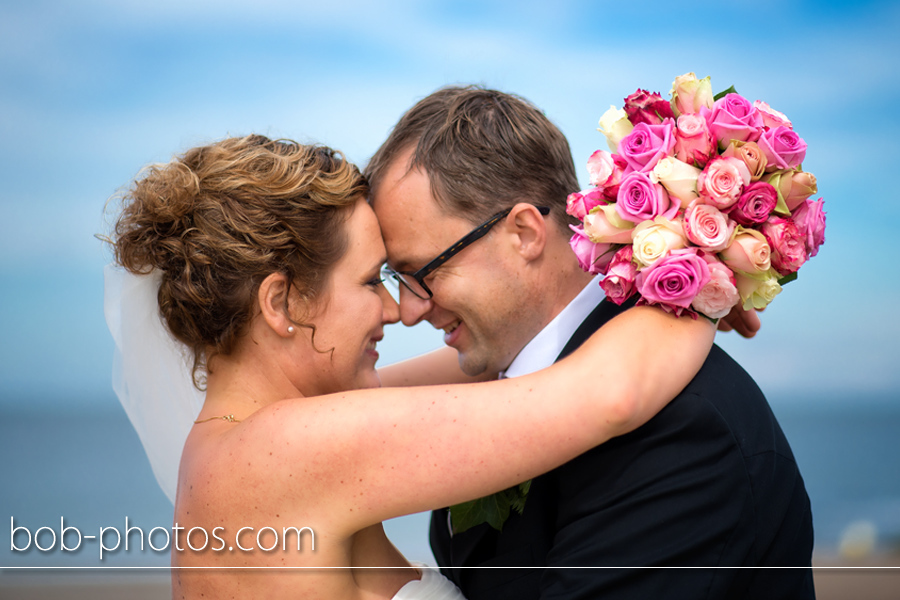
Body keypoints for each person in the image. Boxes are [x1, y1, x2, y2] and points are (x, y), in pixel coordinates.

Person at [105, 134, 716, 599]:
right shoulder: (295, 447)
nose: (395, 310)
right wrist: (709, 274)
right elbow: (611, 394)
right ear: (280, 302)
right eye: (372, 281)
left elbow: (493, 364)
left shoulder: (234, 443)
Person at [365, 86, 816, 599]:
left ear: (524, 233)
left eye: (421, 272)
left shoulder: (681, 434)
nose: (408, 309)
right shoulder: (506, 377)